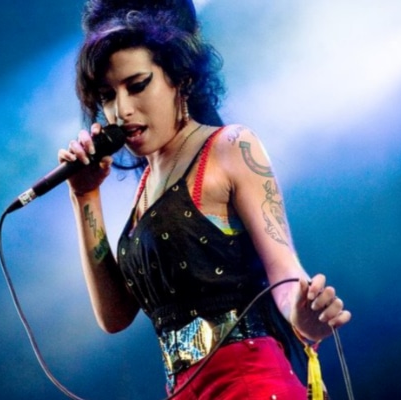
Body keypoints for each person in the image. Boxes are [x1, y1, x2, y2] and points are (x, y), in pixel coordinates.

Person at [58, 0, 351, 398]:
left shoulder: (230, 147)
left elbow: (284, 270)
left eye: (137, 85)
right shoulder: (147, 186)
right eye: (107, 96)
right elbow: (114, 316)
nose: (121, 110)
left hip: (249, 384)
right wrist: (84, 195)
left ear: (180, 79)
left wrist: (303, 311)